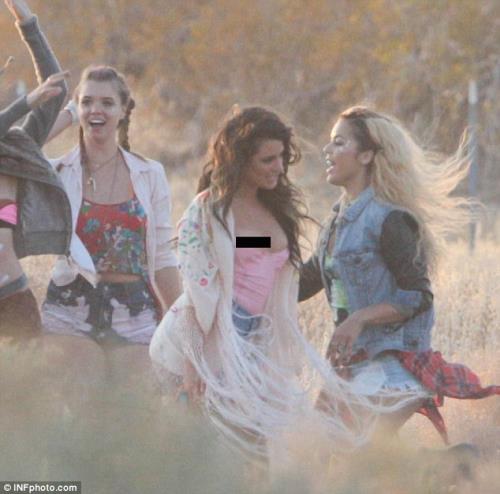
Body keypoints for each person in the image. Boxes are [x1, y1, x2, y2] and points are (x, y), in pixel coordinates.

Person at [149, 106, 411, 462]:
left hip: (254, 342)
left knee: (257, 450)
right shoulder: (210, 211)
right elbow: (198, 295)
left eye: (282, 158)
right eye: (267, 160)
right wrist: (195, 368)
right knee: (216, 452)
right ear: (242, 160)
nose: (279, 168)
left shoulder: (271, 208)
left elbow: (249, 251)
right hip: (209, 341)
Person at [299, 106, 500, 442]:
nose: (327, 150)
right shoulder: (335, 221)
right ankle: (455, 467)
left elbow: (418, 295)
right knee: (338, 455)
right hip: (354, 367)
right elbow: (302, 279)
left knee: (359, 455)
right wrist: (244, 244)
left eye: (339, 142)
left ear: (366, 155)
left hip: (392, 363)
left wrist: (359, 318)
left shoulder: (390, 219)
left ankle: (461, 466)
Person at [41, 65, 181, 381]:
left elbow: (162, 257)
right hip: (71, 308)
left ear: (123, 110)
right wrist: (68, 114)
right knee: (85, 396)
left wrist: (182, 324)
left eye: (107, 103)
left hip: (134, 311)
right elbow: (11, 150)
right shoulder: (58, 172)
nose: (96, 110)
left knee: (133, 402)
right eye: (87, 102)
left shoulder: (149, 174)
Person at [0, 0, 70, 340]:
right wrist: (26, 103)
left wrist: (27, 23)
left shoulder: (15, 151)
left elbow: (56, 91)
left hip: (14, 300)